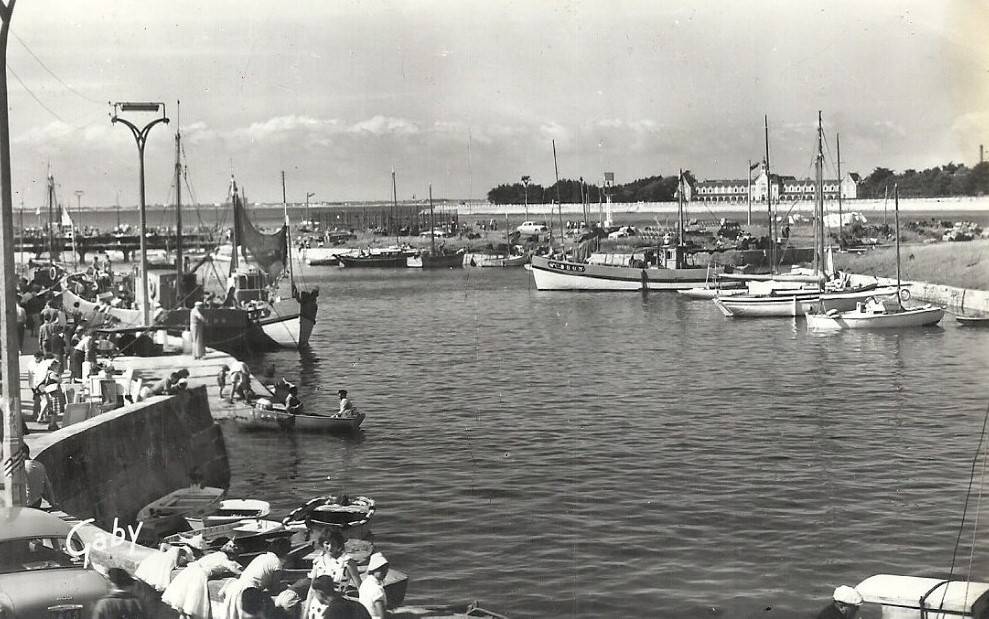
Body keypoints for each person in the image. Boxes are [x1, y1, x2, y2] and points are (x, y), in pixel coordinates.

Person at [162, 540, 243, 619]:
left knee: (183, 606)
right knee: (191, 606)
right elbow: (238, 571)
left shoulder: (216, 554)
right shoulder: (225, 560)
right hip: (198, 575)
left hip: (189, 572)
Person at [219, 538, 291, 619]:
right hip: (248, 591)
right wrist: (284, 586)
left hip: (235, 588)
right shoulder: (277, 563)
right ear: (285, 552)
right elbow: (274, 589)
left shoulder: (262, 556)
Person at [23, 444, 58, 509]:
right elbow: (48, 486)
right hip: (37, 503)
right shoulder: (40, 466)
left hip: (25, 504)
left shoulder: (22, 467)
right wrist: (53, 503)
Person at [357, 553, 389, 619]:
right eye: (381, 569)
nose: (384, 572)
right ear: (373, 570)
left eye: (385, 569)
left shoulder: (365, 583)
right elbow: (382, 617)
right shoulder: (377, 589)